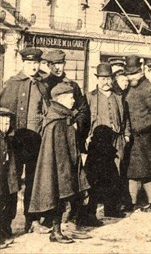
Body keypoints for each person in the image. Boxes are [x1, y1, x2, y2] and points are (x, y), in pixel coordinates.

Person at [28, 83, 90, 244]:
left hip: (65, 166)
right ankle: (56, 232)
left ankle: (60, 230)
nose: (73, 100)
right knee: (57, 196)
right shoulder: (56, 121)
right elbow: (55, 151)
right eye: (70, 97)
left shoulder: (64, 117)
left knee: (64, 197)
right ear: (60, 99)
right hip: (58, 168)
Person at [0, 47, 51, 234]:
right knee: (12, 183)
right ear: (23, 64)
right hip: (15, 142)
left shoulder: (42, 85)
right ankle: (6, 224)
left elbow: (46, 111)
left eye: (36, 63)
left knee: (33, 182)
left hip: (36, 142)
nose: (33, 66)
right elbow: (2, 113)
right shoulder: (12, 84)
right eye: (29, 63)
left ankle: (33, 220)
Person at [42, 50, 93, 227]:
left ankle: (74, 214)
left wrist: (77, 125)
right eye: (53, 64)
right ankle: (44, 218)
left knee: (72, 176)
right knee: (48, 178)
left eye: (60, 64)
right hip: (51, 137)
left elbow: (83, 109)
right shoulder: (43, 85)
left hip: (70, 136)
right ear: (48, 66)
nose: (57, 68)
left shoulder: (73, 86)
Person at [86, 63, 130, 219]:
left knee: (116, 174)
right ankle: (93, 207)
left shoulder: (119, 97)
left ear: (112, 79)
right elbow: (85, 120)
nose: (105, 82)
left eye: (108, 78)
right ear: (98, 80)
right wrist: (87, 137)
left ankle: (112, 208)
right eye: (102, 78)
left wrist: (126, 134)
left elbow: (125, 118)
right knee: (98, 174)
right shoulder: (90, 97)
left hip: (117, 139)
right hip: (98, 142)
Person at [123, 56, 151, 213]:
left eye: (132, 74)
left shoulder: (149, 89)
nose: (129, 77)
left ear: (140, 73)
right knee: (136, 170)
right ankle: (134, 200)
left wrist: (139, 127)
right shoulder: (132, 87)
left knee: (146, 170)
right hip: (135, 137)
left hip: (145, 137)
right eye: (128, 74)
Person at [0, 108, 17, 249]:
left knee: (5, 205)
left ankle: (4, 232)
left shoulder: (8, 139)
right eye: (2, 123)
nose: (6, 126)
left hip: (5, 179)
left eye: (8, 123)